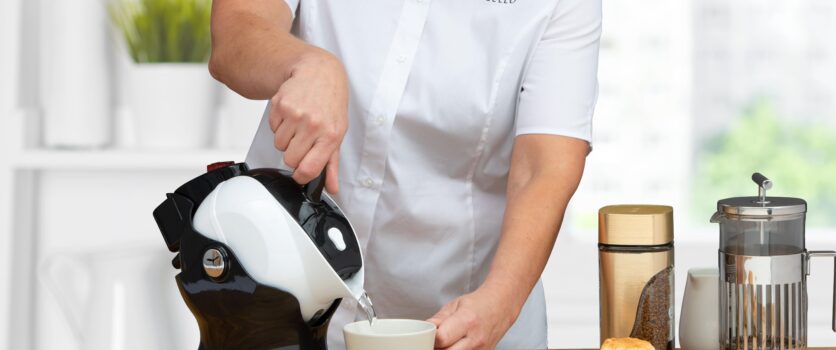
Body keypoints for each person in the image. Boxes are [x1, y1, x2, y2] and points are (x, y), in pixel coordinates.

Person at [209, 0, 601, 348]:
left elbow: (544, 166)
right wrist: (306, 63)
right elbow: (236, 30)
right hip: (276, 301)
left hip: (464, 319)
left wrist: (501, 300)